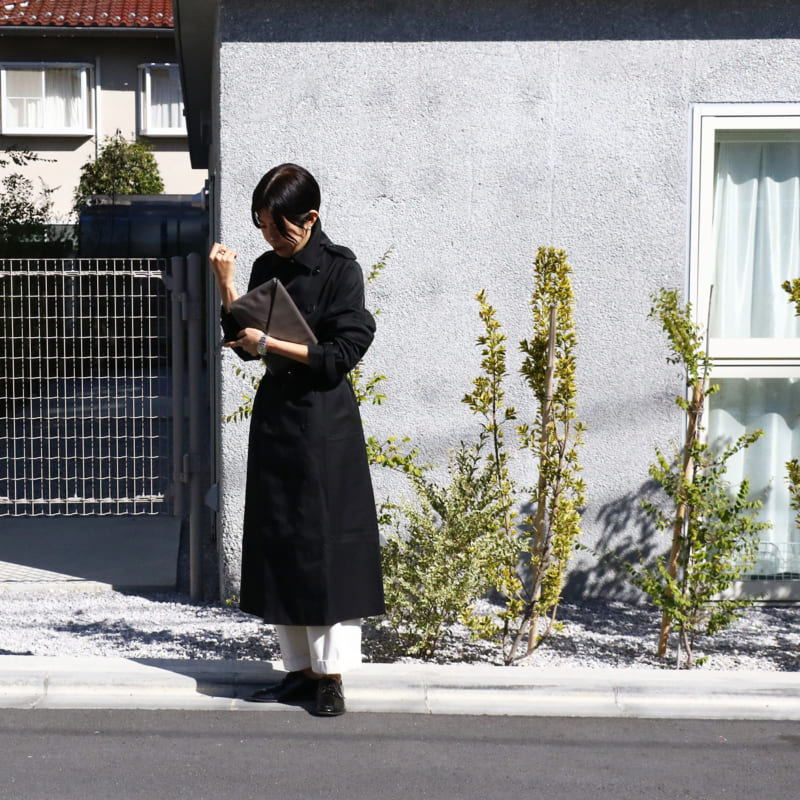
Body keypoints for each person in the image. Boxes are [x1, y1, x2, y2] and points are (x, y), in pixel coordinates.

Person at [209, 163, 384, 716]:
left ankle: (331, 678)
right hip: (278, 418)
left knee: (325, 546)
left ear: (310, 218)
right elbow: (244, 344)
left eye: (278, 226)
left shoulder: (341, 269)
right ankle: (299, 671)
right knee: (281, 541)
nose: (269, 237)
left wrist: (270, 344)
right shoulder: (266, 265)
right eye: (261, 225)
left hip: (325, 423)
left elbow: (339, 356)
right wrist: (227, 286)